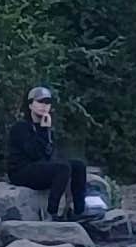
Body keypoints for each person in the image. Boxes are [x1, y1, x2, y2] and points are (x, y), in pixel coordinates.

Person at [5, 83, 91, 221]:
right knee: (62, 168)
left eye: (47, 102)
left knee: (78, 165)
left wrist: (45, 130)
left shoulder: (47, 127)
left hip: (38, 167)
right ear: (30, 105)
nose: (44, 106)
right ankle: (52, 212)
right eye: (40, 102)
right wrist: (43, 131)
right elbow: (34, 153)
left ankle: (79, 211)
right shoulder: (20, 128)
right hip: (21, 171)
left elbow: (48, 155)